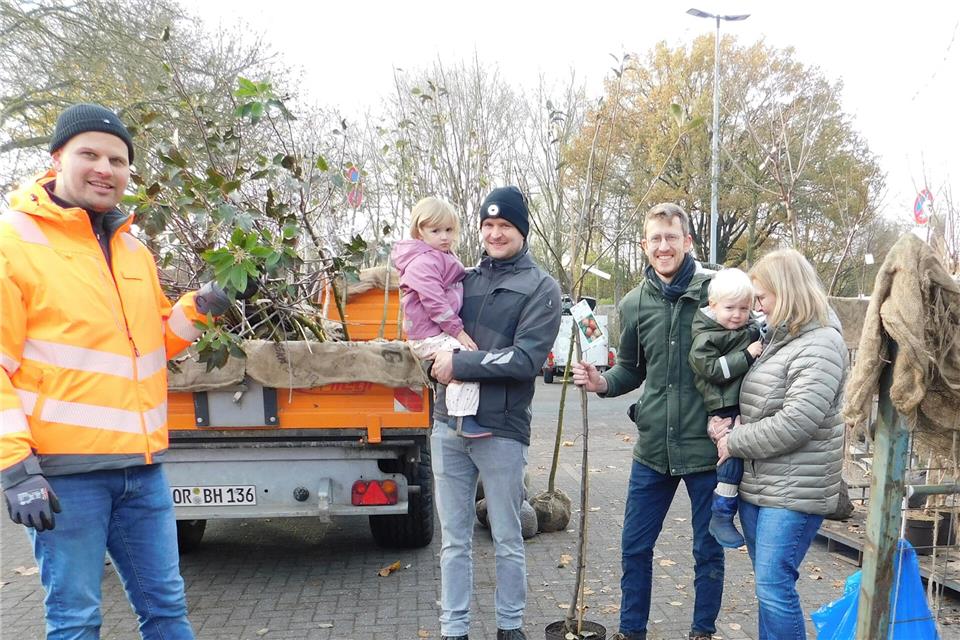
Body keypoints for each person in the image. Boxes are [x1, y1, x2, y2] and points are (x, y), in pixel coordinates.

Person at [0, 103, 241, 639]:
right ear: (57, 157)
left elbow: (150, 343)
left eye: (118, 158)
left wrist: (197, 308)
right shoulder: (12, 243)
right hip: (65, 476)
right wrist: (16, 468)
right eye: (90, 153)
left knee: (167, 612)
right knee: (77, 618)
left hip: (142, 468)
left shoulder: (133, 249)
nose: (105, 168)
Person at [573, 203, 723, 640]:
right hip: (653, 449)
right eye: (655, 238)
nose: (663, 246)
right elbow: (631, 369)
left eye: (671, 237)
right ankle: (630, 630)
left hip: (706, 451)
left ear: (687, 242)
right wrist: (602, 383)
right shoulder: (634, 304)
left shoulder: (716, 294)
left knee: (707, 551)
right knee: (634, 547)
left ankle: (702, 632)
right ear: (644, 245)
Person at [430, 186, 561, 640]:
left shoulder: (541, 287)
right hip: (448, 426)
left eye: (504, 225)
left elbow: (526, 359)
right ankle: (455, 629)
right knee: (453, 542)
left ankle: (510, 628)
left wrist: (460, 363)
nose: (494, 233)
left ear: (521, 230)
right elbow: (430, 330)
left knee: (508, 538)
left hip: (502, 430)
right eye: (487, 225)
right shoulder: (462, 280)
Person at [709, 249, 845, 640]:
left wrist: (734, 441)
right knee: (768, 587)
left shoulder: (821, 344)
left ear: (785, 292)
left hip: (794, 491)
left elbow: (796, 422)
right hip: (762, 485)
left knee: (773, 586)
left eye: (762, 296)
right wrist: (723, 427)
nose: (757, 306)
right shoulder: (780, 339)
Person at [391, 196, 485, 437]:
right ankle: (461, 418)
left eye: (449, 230)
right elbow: (434, 302)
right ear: (419, 231)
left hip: (435, 332)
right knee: (464, 360)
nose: (444, 236)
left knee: (465, 360)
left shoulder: (441, 255)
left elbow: (457, 276)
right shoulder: (422, 262)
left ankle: (461, 412)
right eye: (436, 230)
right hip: (427, 335)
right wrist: (458, 331)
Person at [687, 268, 762, 548]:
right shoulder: (706, 337)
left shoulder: (744, 328)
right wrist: (747, 354)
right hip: (723, 407)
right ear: (712, 306)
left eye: (745, 308)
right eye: (730, 308)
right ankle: (721, 513)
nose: (737, 315)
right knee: (731, 458)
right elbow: (712, 369)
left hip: (740, 404)